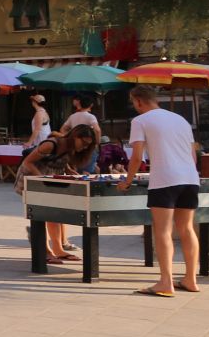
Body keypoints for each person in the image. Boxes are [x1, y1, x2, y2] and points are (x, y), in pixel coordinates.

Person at [120, 85, 201, 297]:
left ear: (138, 101)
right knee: (187, 229)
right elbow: (192, 155)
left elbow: (137, 157)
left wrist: (127, 181)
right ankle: (191, 279)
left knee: (163, 230)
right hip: (190, 178)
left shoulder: (140, 121)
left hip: (164, 179)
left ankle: (166, 282)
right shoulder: (181, 119)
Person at [15, 124, 99, 263]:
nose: (84, 147)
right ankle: (45, 251)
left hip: (50, 180)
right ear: (75, 136)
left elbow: (60, 159)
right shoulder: (50, 145)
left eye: (87, 145)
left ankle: (58, 250)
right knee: (41, 214)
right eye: (84, 143)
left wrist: (68, 170)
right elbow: (27, 162)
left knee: (54, 214)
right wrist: (42, 179)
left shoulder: (70, 147)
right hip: (33, 178)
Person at [62, 94, 101, 173]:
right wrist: (97, 143)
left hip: (75, 146)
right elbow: (97, 130)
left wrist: (70, 138)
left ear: (80, 104)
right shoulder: (90, 117)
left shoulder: (72, 116)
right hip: (88, 146)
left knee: (77, 170)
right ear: (91, 105)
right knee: (88, 171)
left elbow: (63, 129)